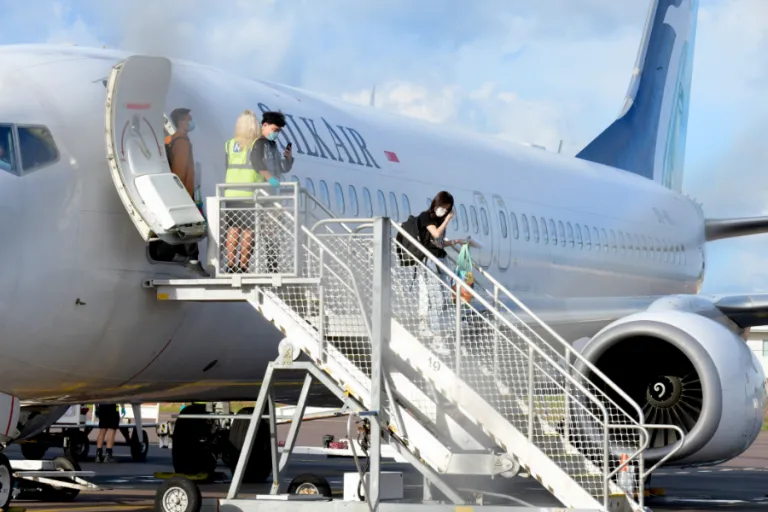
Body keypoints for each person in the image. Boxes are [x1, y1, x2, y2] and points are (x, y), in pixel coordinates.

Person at [416, 191, 463, 355]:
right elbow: (435, 234)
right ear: (436, 204)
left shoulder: (439, 221)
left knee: (443, 299)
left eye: (448, 209)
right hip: (430, 261)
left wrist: (455, 242)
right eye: (443, 207)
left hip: (441, 260)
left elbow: (439, 242)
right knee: (437, 299)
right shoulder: (425, 217)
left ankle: (434, 332)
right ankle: (437, 338)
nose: (444, 211)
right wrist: (447, 220)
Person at [167, 108, 202, 268]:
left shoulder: (174, 139)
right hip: (184, 191)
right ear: (181, 122)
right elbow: (180, 169)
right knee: (191, 225)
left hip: (182, 190)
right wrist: (182, 192)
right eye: (189, 119)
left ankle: (180, 254)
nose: (191, 122)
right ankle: (192, 259)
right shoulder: (181, 142)